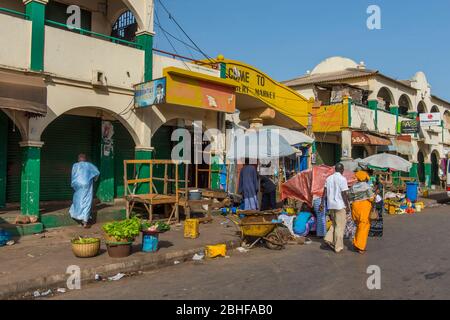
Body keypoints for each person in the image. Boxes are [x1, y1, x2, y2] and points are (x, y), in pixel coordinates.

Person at [320, 163, 351, 253]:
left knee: (335, 224)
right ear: (342, 170)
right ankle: (338, 247)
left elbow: (324, 192)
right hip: (340, 205)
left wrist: (322, 203)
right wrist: (348, 206)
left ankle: (329, 238)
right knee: (339, 227)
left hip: (331, 205)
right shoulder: (342, 179)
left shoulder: (328, 178)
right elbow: (344, 194)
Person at [69, 154, 100, 228]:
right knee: (87, 201)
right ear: (85, 159)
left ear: (78, 159)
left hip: (77, 185)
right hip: (86, 185)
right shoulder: (89, 165)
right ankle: (85, 221)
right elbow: (97, 172)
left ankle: (77, 216)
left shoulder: (75, 165)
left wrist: (73, 184)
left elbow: (73, 175)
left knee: (77, 200)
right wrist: (95, 179)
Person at [349, 170, 374, 254]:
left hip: (355, 207)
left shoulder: (353, 187)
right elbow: (371, 198)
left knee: (358, 226)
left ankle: (356, 243)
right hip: (364, 207)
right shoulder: (367, 186)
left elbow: (350, 198)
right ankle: (360, 246)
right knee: (363, 227)